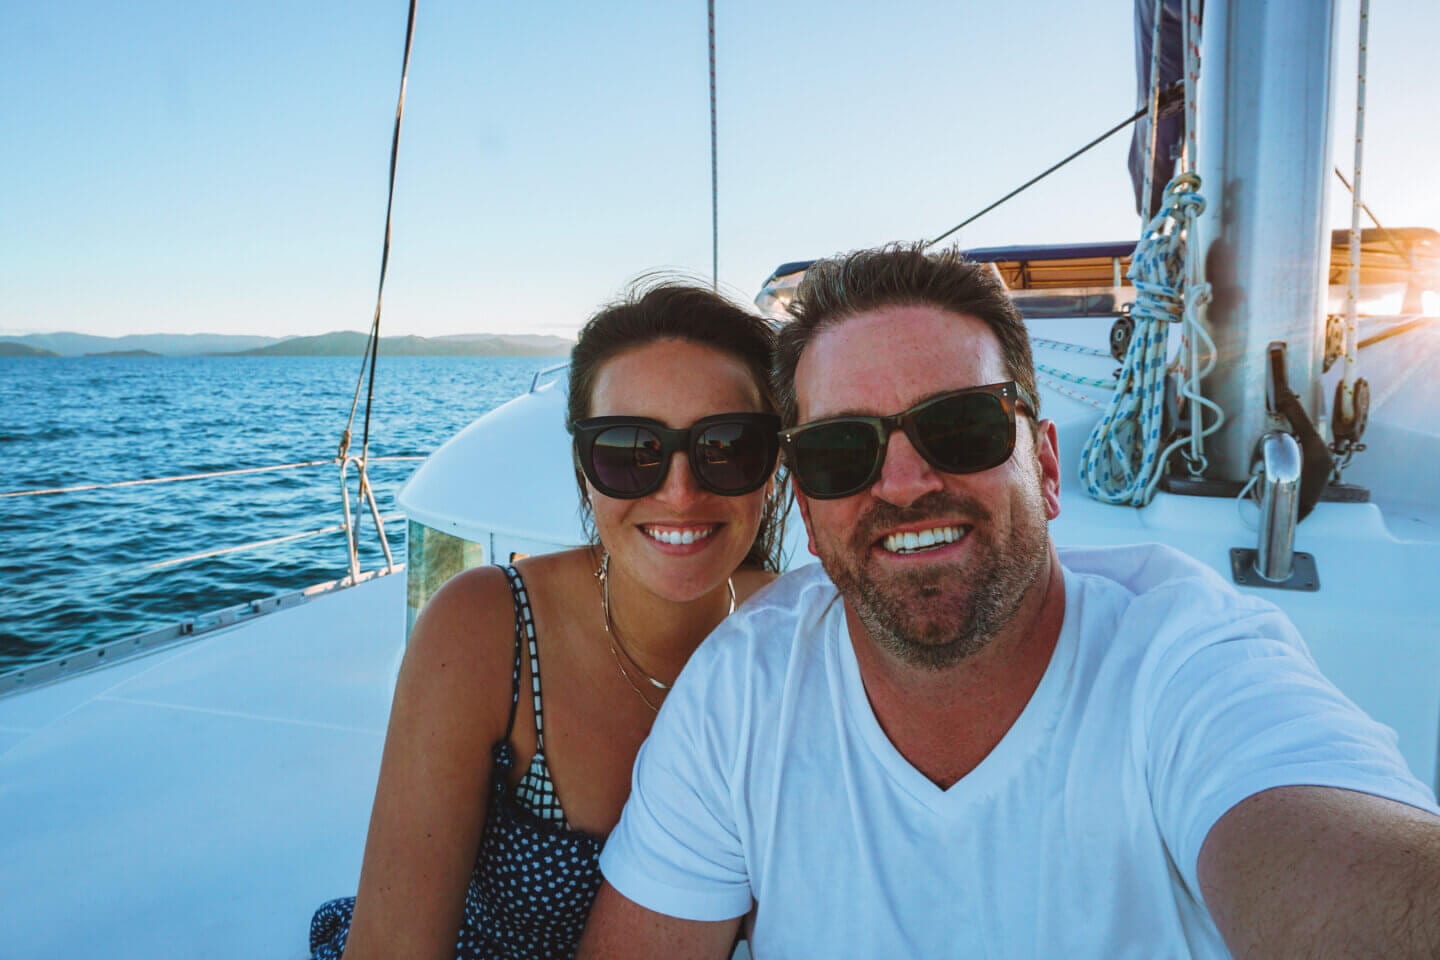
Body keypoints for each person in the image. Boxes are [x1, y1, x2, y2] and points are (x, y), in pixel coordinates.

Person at [579, 243, 1440, 958]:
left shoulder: (1186, 664)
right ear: (805, 506)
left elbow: (1334, 858)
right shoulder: (743, 692)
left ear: (1048, 468)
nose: (907, 482)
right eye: (843, 449)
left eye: (962, 426)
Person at [309, 281, 788, 960]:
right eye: (629, 450)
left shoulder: (802, 634)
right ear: (583, 468)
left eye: (729, 446)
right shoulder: (489, 632)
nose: (680, 492)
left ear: (774, 464)